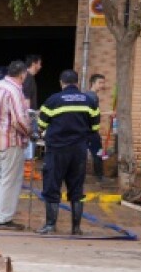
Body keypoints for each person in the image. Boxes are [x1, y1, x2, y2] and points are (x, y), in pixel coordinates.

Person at [36, 69, 100, 235]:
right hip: (79, 151)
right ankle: (76, 228)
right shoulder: (89, 101)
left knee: (52, 185)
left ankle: (50, 225)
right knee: (77, 188)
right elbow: (95, 128)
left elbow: (41, 124)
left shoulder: (53, 100)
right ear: (77, 83)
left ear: (61, 83)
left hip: (56, 150)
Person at [0, 61, 33, 230]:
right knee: (10, 180)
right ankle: (3, 219)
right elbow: (19, 119)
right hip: (10, 140)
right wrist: (30, 132)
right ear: (22, 74)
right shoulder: (14, 90)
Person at [86, 73, 108, 184]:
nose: (102, 85)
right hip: (90, 132)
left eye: (103, 83)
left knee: (97, 153)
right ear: (93, 83)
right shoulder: (91, 97)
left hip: (88, 131)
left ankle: (100, 176)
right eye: (100, 83)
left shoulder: (90, 96)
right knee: (98, 153)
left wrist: (108, 113)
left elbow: (95, 113)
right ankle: (100, 177)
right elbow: (91, 115)